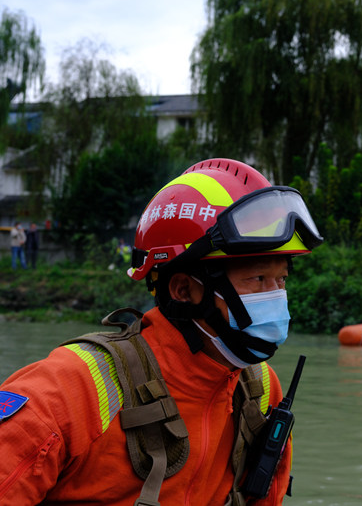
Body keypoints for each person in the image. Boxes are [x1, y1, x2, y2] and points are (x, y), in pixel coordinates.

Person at [0, 158, 322, 504]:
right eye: (258, 279)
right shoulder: (68, 391)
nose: (275, 296)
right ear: (183, 290)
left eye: (281, 280)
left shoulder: (260, 390)